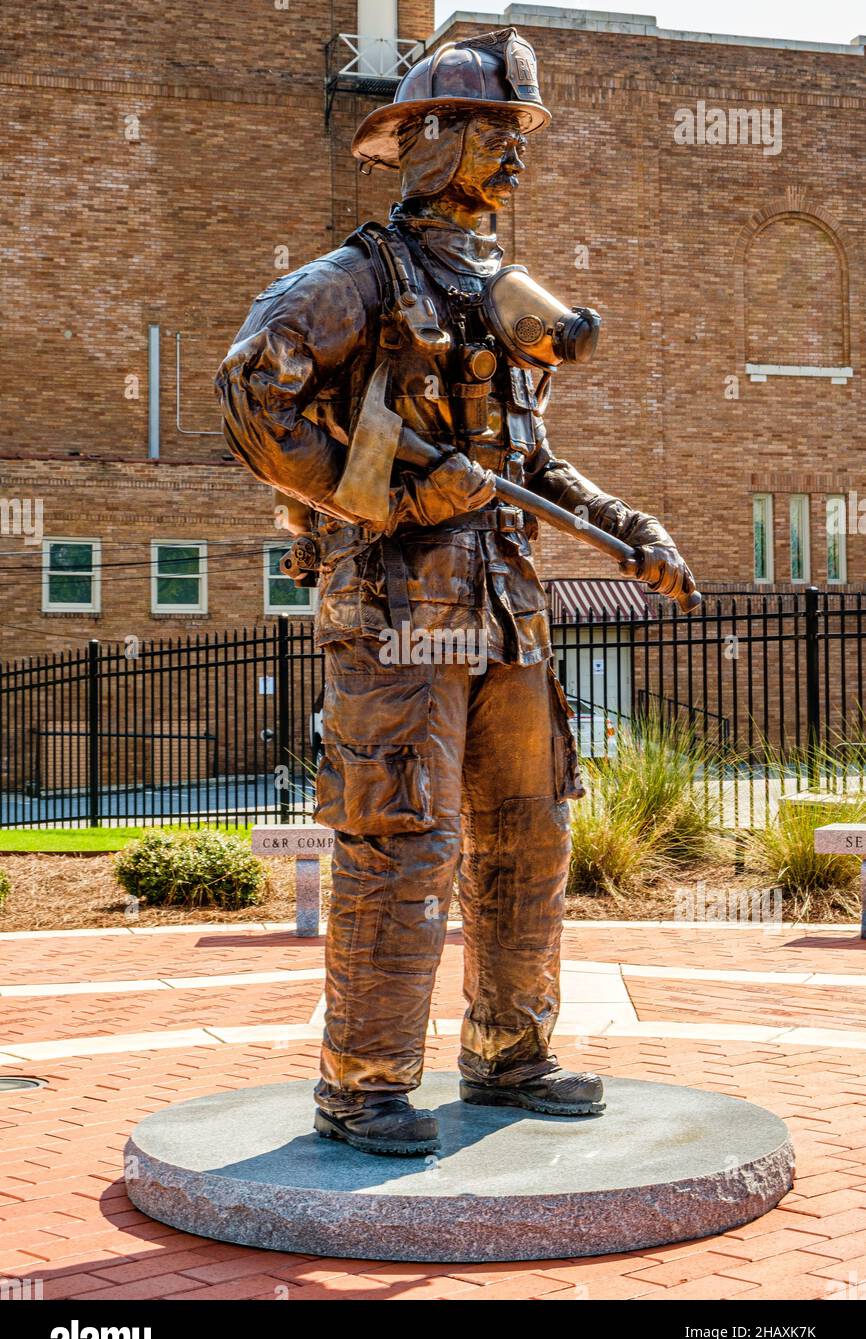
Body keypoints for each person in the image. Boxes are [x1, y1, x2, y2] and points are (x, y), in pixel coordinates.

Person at [216, 27, 696, 1157]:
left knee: (528, 833)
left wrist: (626, 523)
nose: (517, 156)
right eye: (495, 132)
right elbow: (251, 399)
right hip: (394, 620)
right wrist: (383, 495)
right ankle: (365, 1080)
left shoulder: (500, 288)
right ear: (430, 141)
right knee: (400, 842)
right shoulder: (352, 280)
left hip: (508, 614)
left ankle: (510, 1052)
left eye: (519, 132)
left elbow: (528, 462)